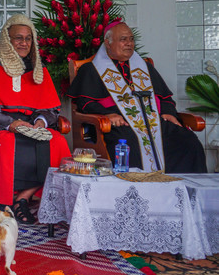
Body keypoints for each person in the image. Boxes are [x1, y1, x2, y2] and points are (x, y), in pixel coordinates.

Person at [0, 14, 71, 224]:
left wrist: (40, 122)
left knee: (56, 142)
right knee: (2, 143)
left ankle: (23, 198)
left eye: (28, 38)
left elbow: (50, 108)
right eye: (18, 38)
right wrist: (10, 123)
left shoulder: (37, 67)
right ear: (6, 39)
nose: (24, 43)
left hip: (30, 124)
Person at [68, 22, 207, 173]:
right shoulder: (91, 70)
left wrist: (168, 112)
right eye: (123, 39)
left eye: (131, 39)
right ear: (108, 43)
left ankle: (185, 193)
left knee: (189, 142)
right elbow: (85, 103)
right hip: (121, 126)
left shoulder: (145, 68)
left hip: (155, 123)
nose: (129, 43)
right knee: (129, 145)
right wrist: (107, 115)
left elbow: (165, 97)